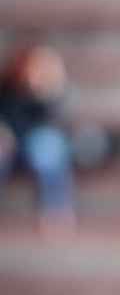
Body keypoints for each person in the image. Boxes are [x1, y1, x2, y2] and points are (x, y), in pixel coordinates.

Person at [0, 39, 76, 240]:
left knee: (47, 148)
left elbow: (56, 122)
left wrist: (43, 92)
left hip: (38, 145)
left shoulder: (53, 90)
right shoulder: (8, 87)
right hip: (11, 144)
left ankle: (55, 209)